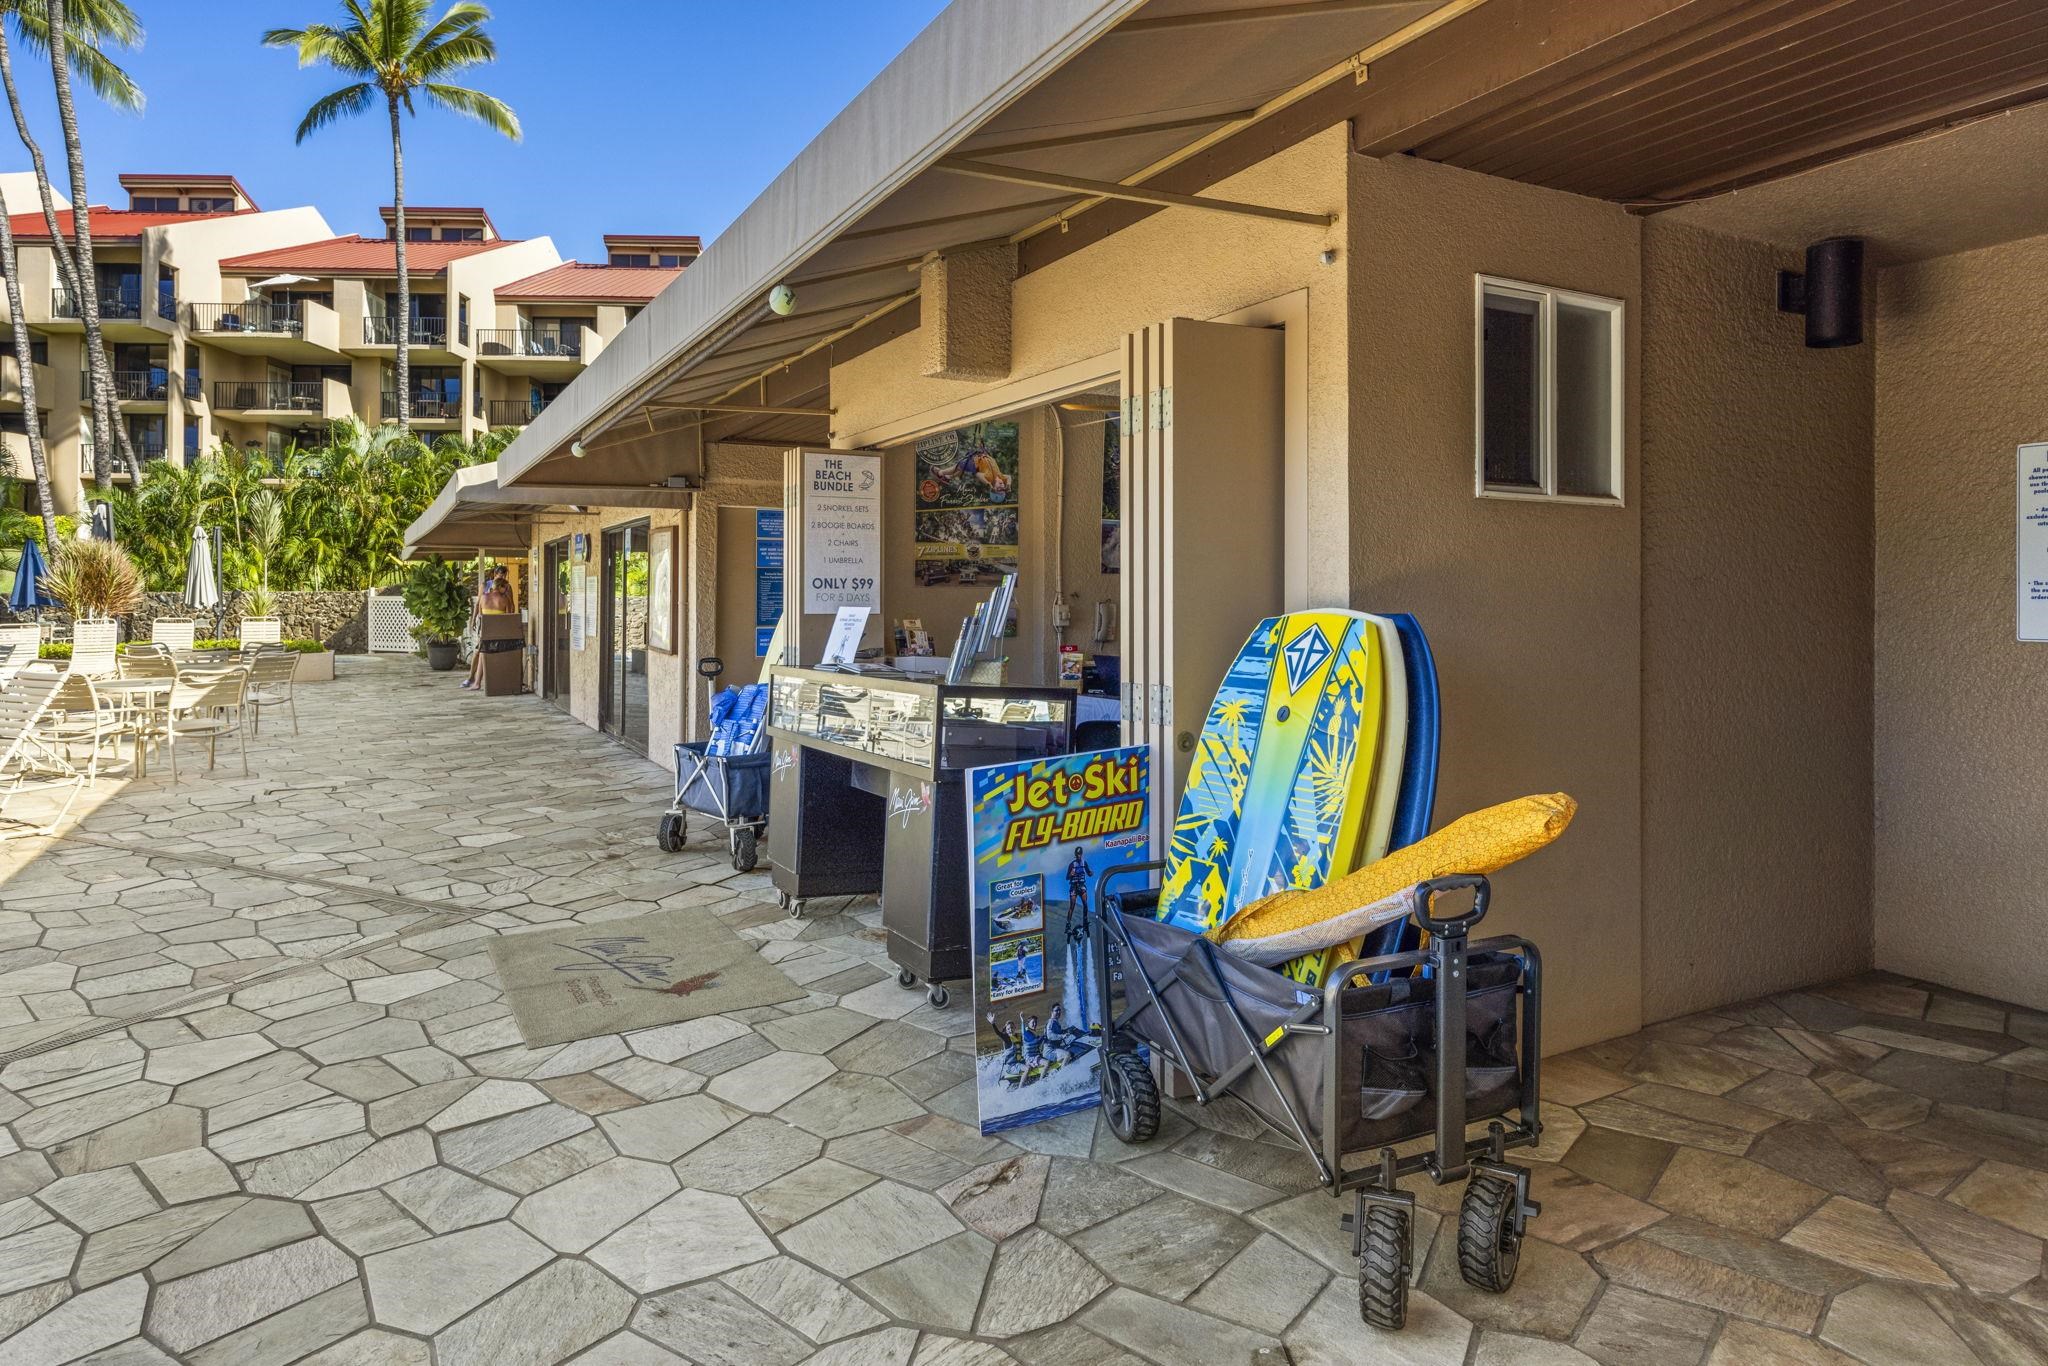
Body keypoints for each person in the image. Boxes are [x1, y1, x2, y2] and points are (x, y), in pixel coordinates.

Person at [461, 566, 516, 690]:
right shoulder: (488, 587)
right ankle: (472, 679)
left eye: (504, 576)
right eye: (501, 576)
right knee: (479, 653)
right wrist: (473, 620)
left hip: (486, 628)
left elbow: (481, 611)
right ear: (495, 574)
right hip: (496, 628)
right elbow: (509, 613)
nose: (503, 579)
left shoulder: (490, 595)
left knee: (482, 654)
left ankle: (477, 682)